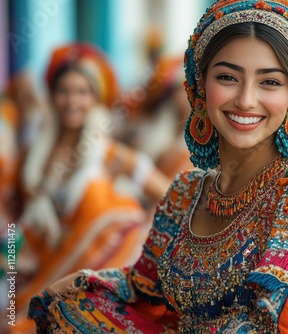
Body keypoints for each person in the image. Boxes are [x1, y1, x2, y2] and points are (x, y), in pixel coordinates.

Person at [28, 1, 288, 333]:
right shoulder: (184, 192)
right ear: (200, 89)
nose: (246, 100)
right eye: (228, 77)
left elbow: (281, 323)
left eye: (269, 82)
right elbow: (144, 288)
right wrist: (84, 283)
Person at [11, 43, 170, 333]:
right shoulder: (33, 156)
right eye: (64, 91)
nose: (73, 100)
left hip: (82, 294)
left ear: (96, 99)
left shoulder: (112, 156)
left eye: (82, 92)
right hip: (31, 280)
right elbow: (14, 221)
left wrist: (134, 235)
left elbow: (174, 197)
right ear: (52, 96)